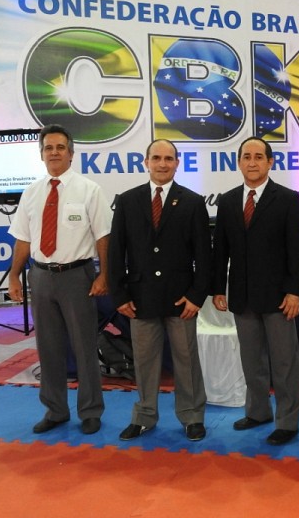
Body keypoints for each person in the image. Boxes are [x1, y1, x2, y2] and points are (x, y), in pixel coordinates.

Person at [8, 124, 111, 436]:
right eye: (48, 148)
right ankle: (55, 410)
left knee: (84, 346)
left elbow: (104, 237)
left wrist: (105, 275)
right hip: (40, 276)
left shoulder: (89, 190)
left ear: (71, 153)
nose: (54, 153)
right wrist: (14, 275)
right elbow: (23, 239)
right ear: (41, 154)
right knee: (48, 347)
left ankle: (90, 411)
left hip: (77, 276)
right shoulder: (31, 192)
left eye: (60, 147)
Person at [108, 139, 211, 442]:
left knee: (187, 361)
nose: (162, 164)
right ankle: (144, 416)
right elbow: (116, 252)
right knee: (144, 361)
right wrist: (120, 295)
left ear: (177, 163)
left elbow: (204, 254)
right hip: (140, 298)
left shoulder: (192, 202)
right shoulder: (127, 201)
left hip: (181, 298)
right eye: (156, 158)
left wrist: (196, 296)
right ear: (146, 162)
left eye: (168, 158)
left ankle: (192, 416)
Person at [212, 137, 299, 446]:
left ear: (270, 162)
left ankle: (288, 421)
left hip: (279, 297)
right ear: (239, 162)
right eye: (246, 157)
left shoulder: (288, 199)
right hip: (242, 295)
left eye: (258, 157)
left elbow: (296, 250)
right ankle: (258, 411)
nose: (252, 162)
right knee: (251, 361)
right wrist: (218, 288)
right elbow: (220, 249)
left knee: (284, 363)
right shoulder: (228, 201)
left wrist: (294, 292)